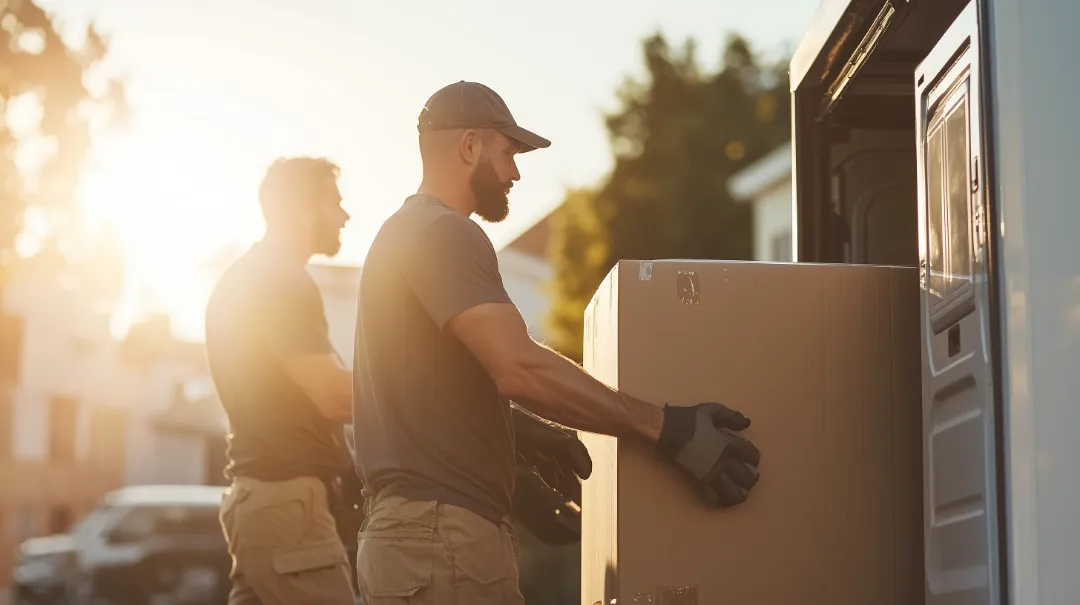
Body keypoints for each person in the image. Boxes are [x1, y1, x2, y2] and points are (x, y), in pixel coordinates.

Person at [351, 81, 763, 605]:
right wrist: (666, 428)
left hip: (413, 538)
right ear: (470, 146)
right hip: (442, 540)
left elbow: (426, 390)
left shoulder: (403, 233)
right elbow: (519, 367)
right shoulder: (444, 233)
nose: (516, 173)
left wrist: (518, 441)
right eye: (508, 154)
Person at [205, 157, 358, 605]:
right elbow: (333, 396)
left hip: (264, 505)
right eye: (336, 204)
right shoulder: (279, 280)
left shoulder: (257, 276)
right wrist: (417, 388)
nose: (345, 216)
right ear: (304, 210)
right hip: (286, 508)